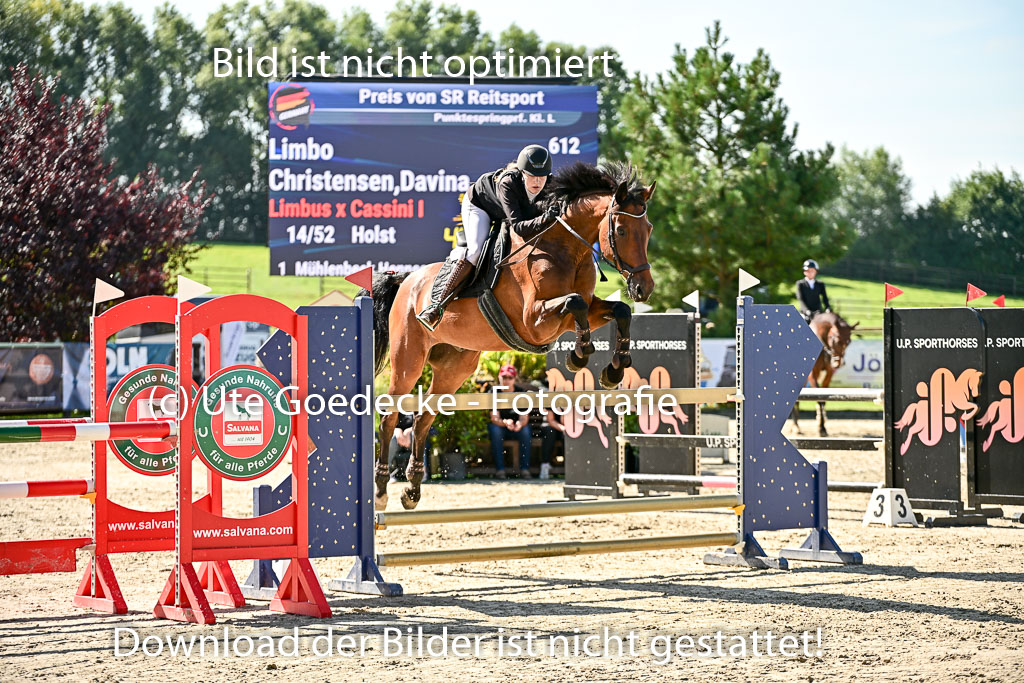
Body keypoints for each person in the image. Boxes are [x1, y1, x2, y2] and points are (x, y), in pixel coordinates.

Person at [416, 144, 560, 330]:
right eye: (531, 176)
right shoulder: (508, 183)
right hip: (479, 206)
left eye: (542, 177)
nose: (537, 182)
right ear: (522, 172)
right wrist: (544, 219)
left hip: (506, 212)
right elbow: (518, 226)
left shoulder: (550, 184)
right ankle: (436, 307)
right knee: (475, 251)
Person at [487, 364, 532, 479]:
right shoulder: (494, 392)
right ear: (499, 377)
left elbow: (524, 417)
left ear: (514, 379)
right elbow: (494, 418)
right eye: (504, 377)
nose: (507, 380)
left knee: (526, 431)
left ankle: (525, 469)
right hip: (500, 426)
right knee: (495, 430)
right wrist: (505, 422)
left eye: (510, 378)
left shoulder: (521, 392)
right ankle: (500, 470)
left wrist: (519, 424)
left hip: (516, 427)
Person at [796, 259, 831, 323]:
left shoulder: (820, 284)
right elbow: (801, 299)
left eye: (812, 271)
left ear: (816, 272)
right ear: (804, 272)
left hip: (818, 312)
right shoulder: (800, 284)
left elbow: (825, 298)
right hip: (805, 313)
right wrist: (807, 311)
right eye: (808, 271)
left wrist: (827, 307)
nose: (810, 273)